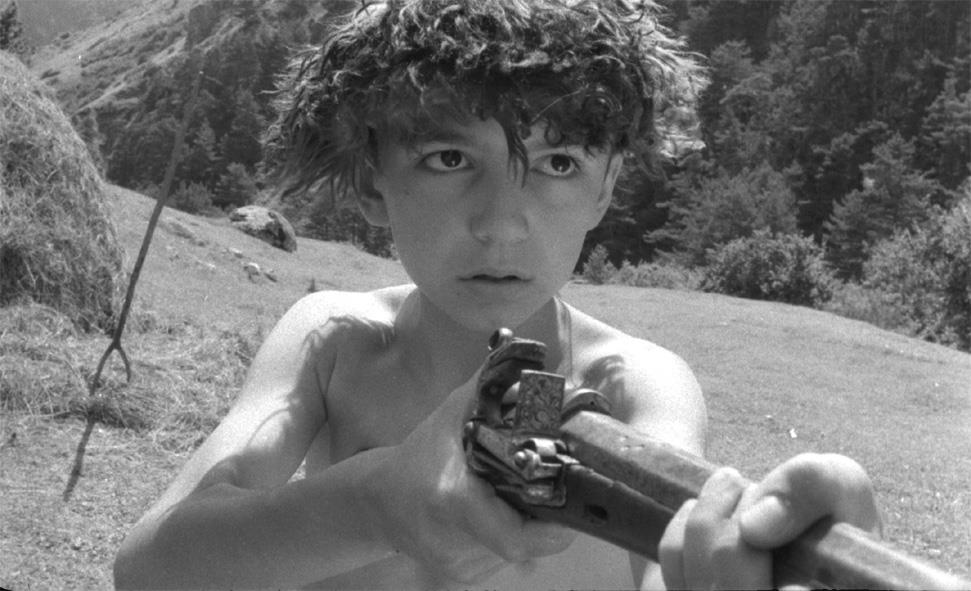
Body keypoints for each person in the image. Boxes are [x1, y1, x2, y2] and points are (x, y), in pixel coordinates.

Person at [113, 0, 881, 589]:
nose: (502, 224)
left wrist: (740, 565)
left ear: (605, 187)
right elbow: (148, 567)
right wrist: (372, 501)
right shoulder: (334, 342)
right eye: (449, 157)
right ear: (372, 179)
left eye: (557, 163)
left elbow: (672, 547)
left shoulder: (630, 384)